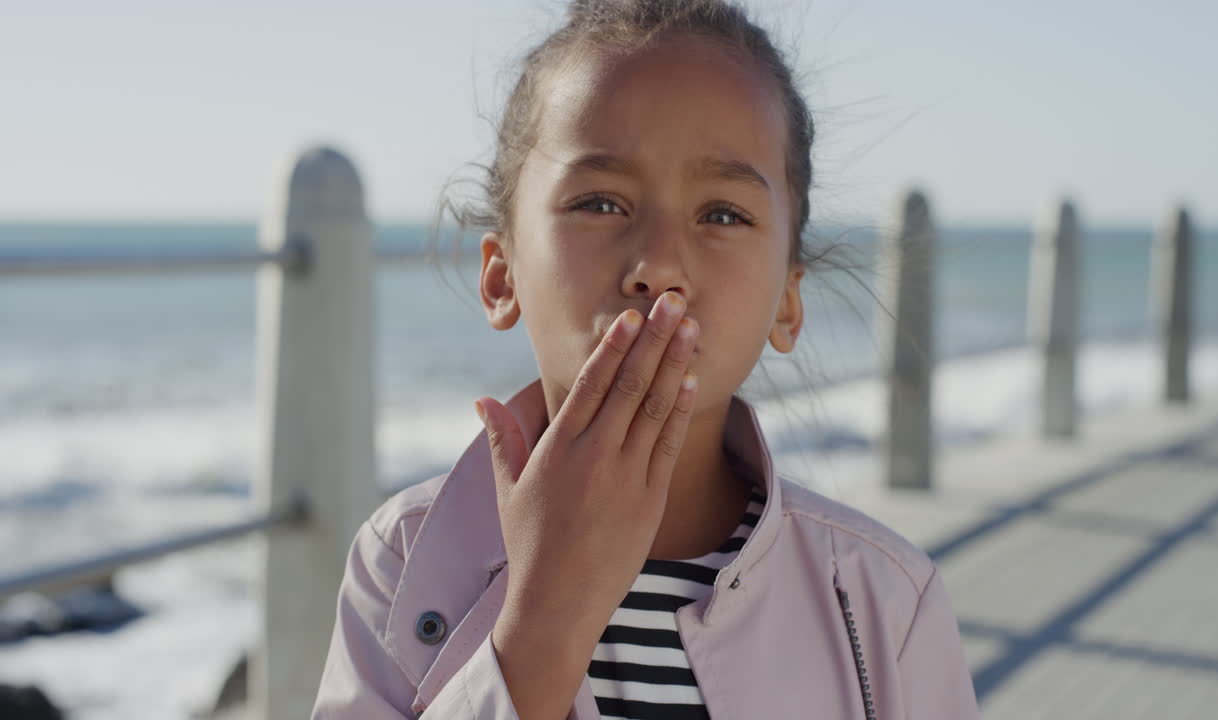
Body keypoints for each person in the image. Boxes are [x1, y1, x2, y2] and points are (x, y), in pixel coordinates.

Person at [313, 1, 979, 718]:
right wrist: (545, 618)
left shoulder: (883, 600)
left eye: (722, 214)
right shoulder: (404, 561)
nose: (659, 266)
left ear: (787, 301)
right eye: (600, 203)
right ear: (501, 275)